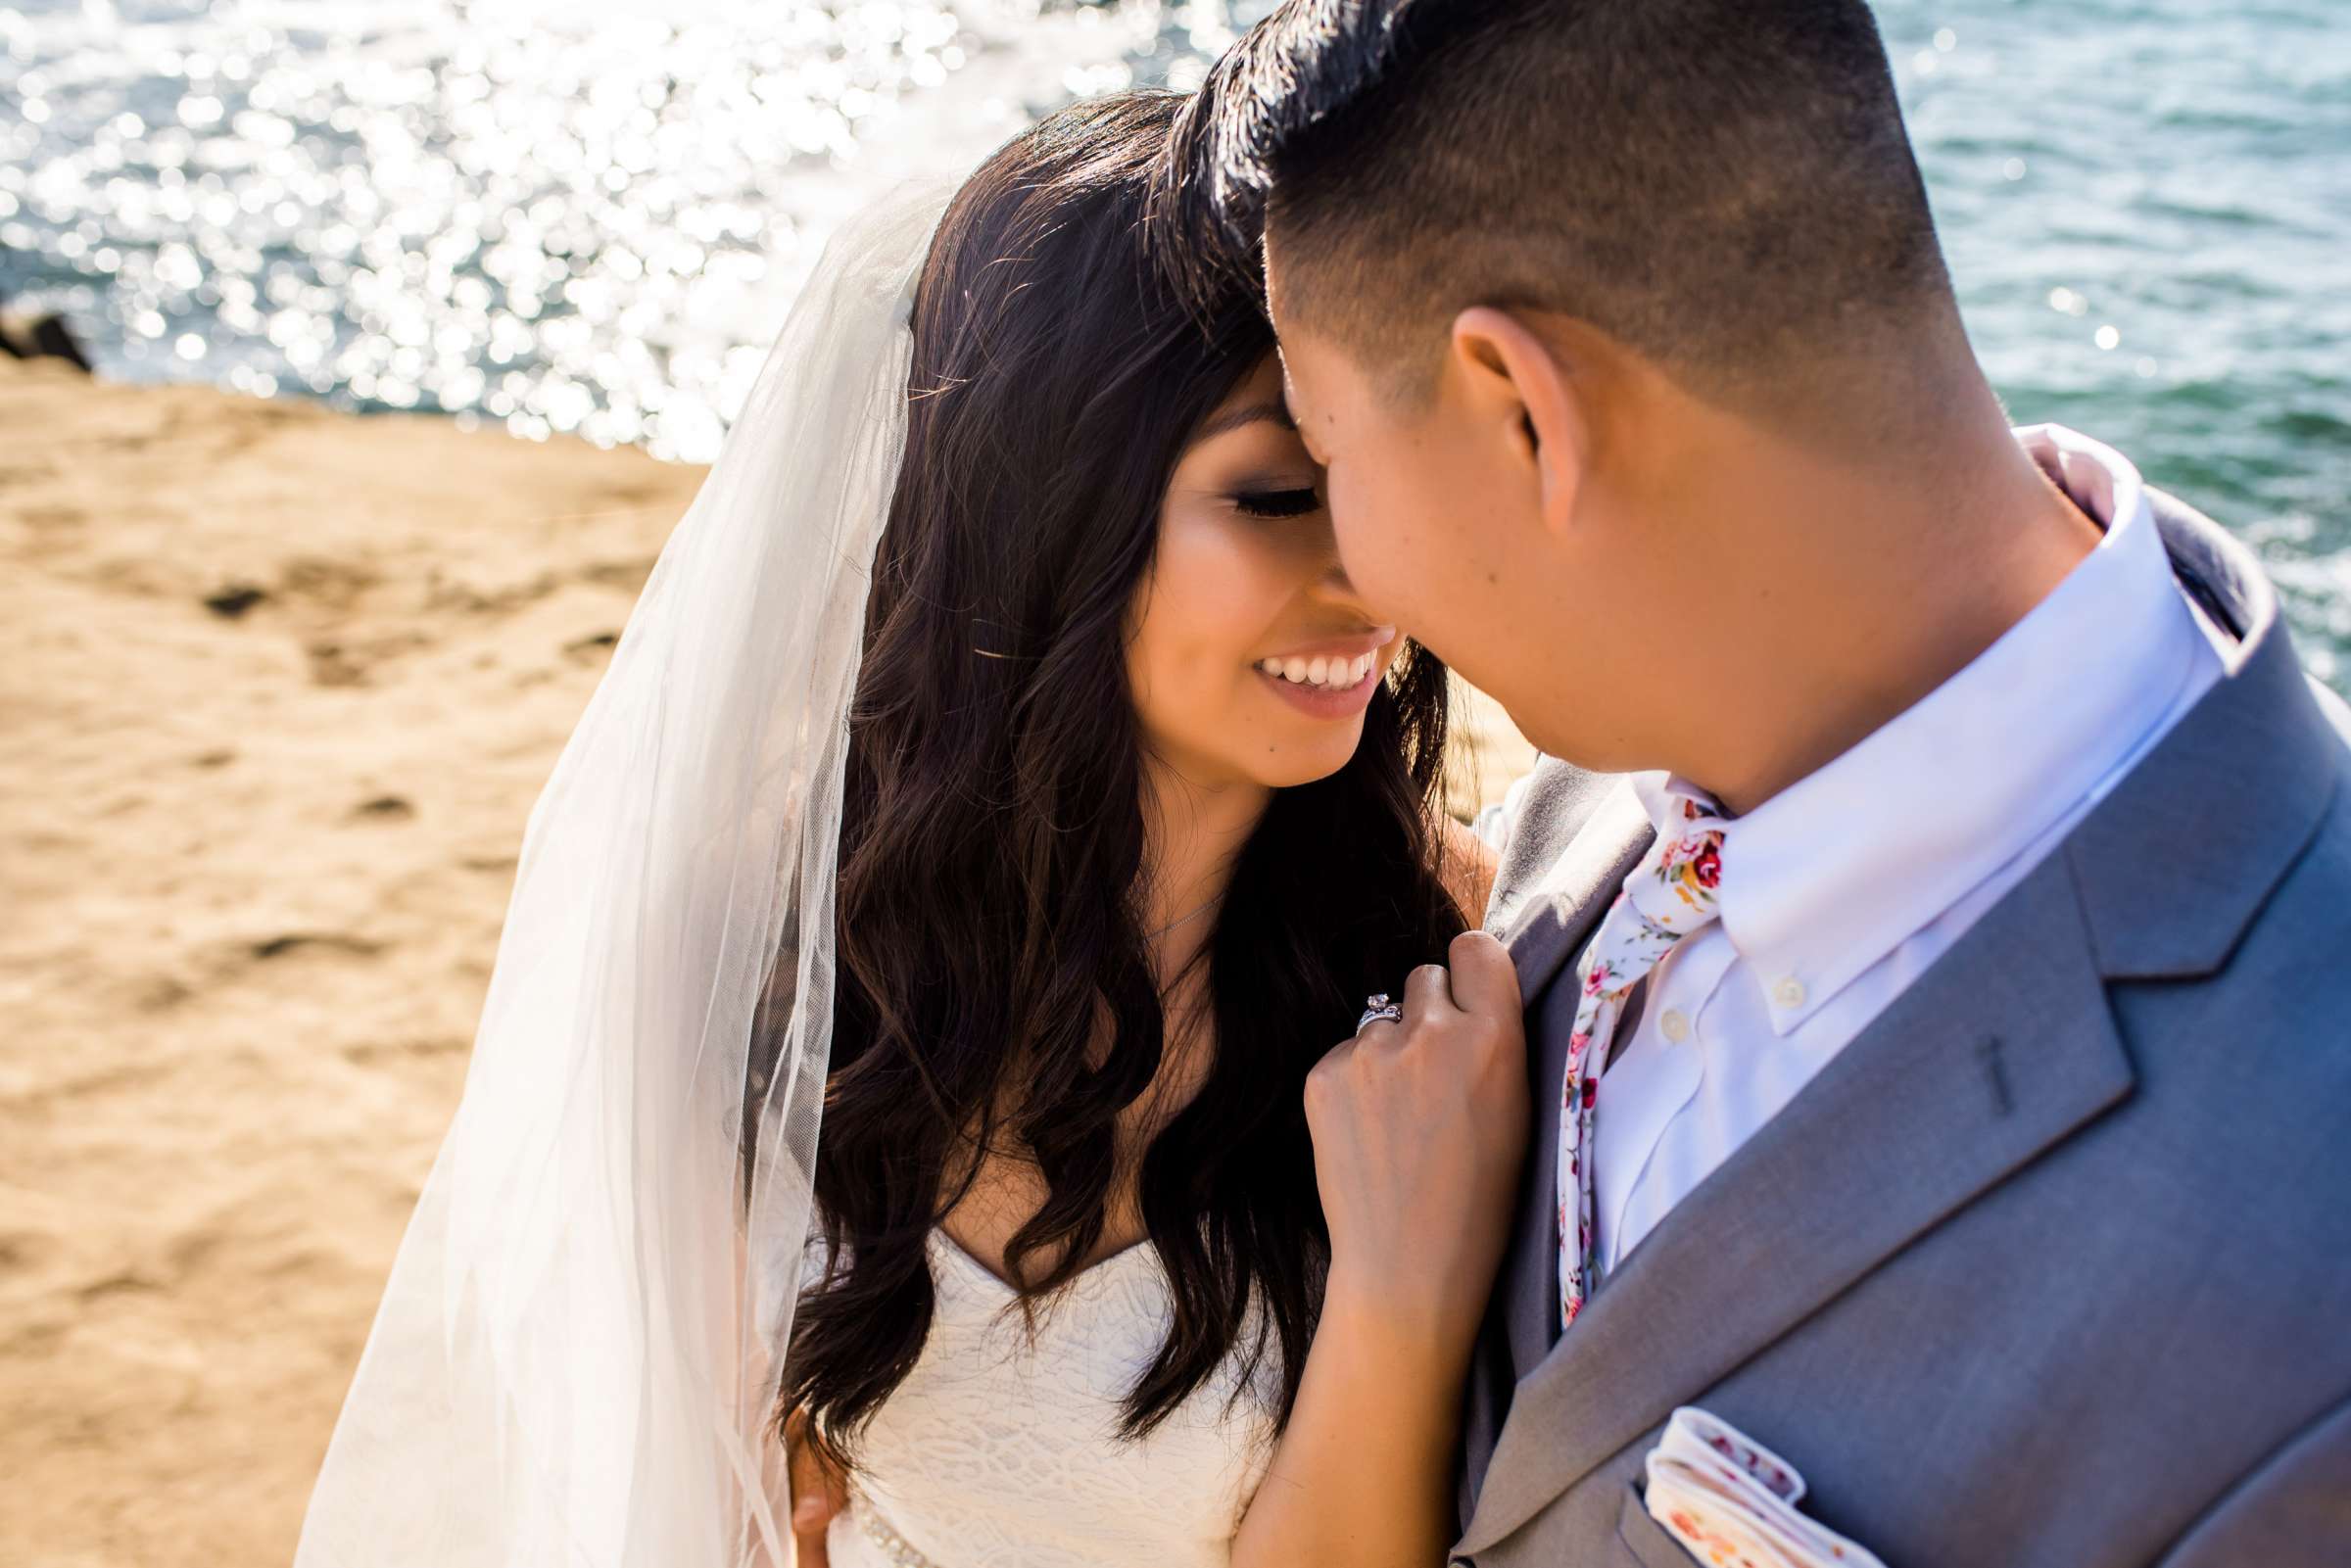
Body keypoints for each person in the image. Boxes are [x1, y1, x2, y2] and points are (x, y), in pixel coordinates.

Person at [1152, 0, 2351, 1563]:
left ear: (1525, 411)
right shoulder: (1578, 822)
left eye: (1327, 460)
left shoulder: (2305, 1277)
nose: (1352, 563)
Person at [296, 90, 1536, 1568]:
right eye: (1275, 492)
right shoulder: (760, 971)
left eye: (1374, 481)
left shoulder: (1445, 963)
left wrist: (1404, 1291)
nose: (1368, 569)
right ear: (1047, 514)